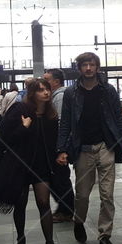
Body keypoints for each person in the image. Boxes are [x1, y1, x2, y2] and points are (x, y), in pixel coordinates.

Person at [57, 52, 122, 244]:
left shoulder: (108, 90)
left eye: (92, 65)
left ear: (97, 67)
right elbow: (65, 124)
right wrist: (62, 149)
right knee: (82, 195)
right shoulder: (71, 93)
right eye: (84, 65)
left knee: (107, 195)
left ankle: (104, 235)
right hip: (82, 149)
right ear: (79, 68)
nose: (88, 68)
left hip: (105, 146)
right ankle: (78, 221)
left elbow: (118, 117)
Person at [0, 78, 62, 244]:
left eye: (47, 89)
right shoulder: (20, 110)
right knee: (21, 204)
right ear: (32, 93)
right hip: (19, 164)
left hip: (41, 165)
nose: (46, 93)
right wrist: (24, 128)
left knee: (44, 203)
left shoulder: (51, 114)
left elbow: (52, 141)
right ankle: (21, 239)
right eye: (40, 90)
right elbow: (5, 138)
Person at [43, 68, 74, 224]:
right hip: (56, 145)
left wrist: (61, 149)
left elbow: (62, 123)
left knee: (60, 179)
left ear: (56, 81)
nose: (44, 82)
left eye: (47, 79)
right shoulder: (55, 96)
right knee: (57, 178)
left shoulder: (60, 96)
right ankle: (64, 209)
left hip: (58, 146)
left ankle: (66, 210)